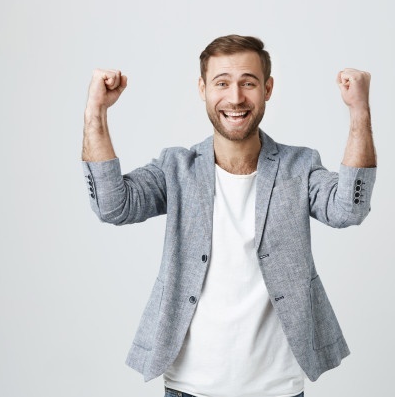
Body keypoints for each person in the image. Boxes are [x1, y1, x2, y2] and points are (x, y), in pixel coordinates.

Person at [81, 35, 377, 397]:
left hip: (278, 389)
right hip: (188, 388)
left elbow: (349, 208)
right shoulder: (176, 168)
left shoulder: (299, 167)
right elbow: (112, 205)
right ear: (203, 89)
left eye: (248, 83)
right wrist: (96, 110)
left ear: (267, 89)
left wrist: (359, 110)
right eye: (221, 83)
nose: (235, 98)